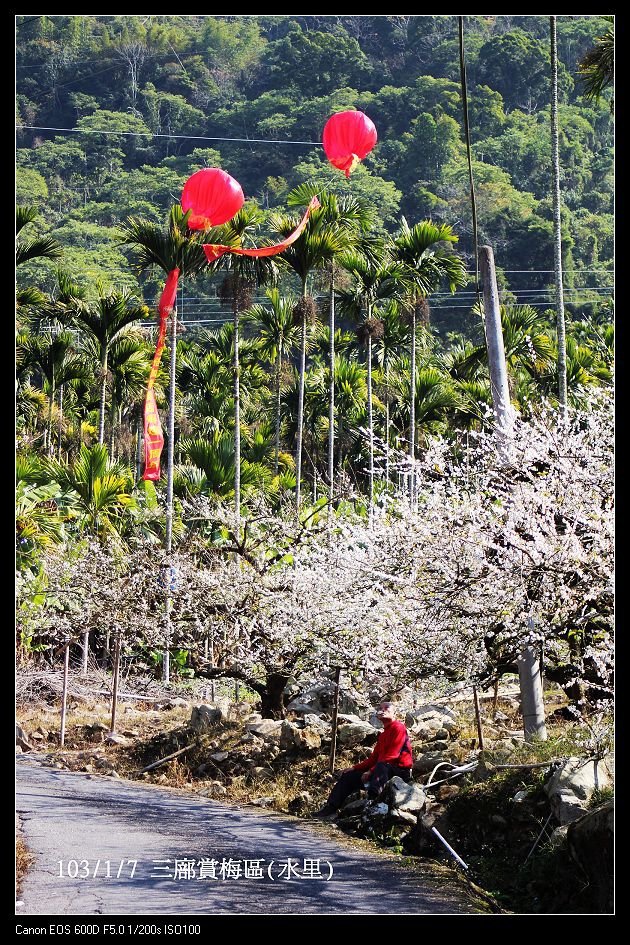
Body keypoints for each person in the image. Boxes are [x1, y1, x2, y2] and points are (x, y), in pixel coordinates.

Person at [314, 701, 413, 818]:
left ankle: (373, 802)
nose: (382, 710)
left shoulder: (398, 728)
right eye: (380, 708)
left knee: (382, 766)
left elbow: (392, 756)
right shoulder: (383, 734)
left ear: (394, 713)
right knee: (349, 776)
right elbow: (373, 759)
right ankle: (330, 808)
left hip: (398, 771)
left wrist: (371, 771)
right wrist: (354, 768)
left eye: (386, 708)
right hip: (381, 770)